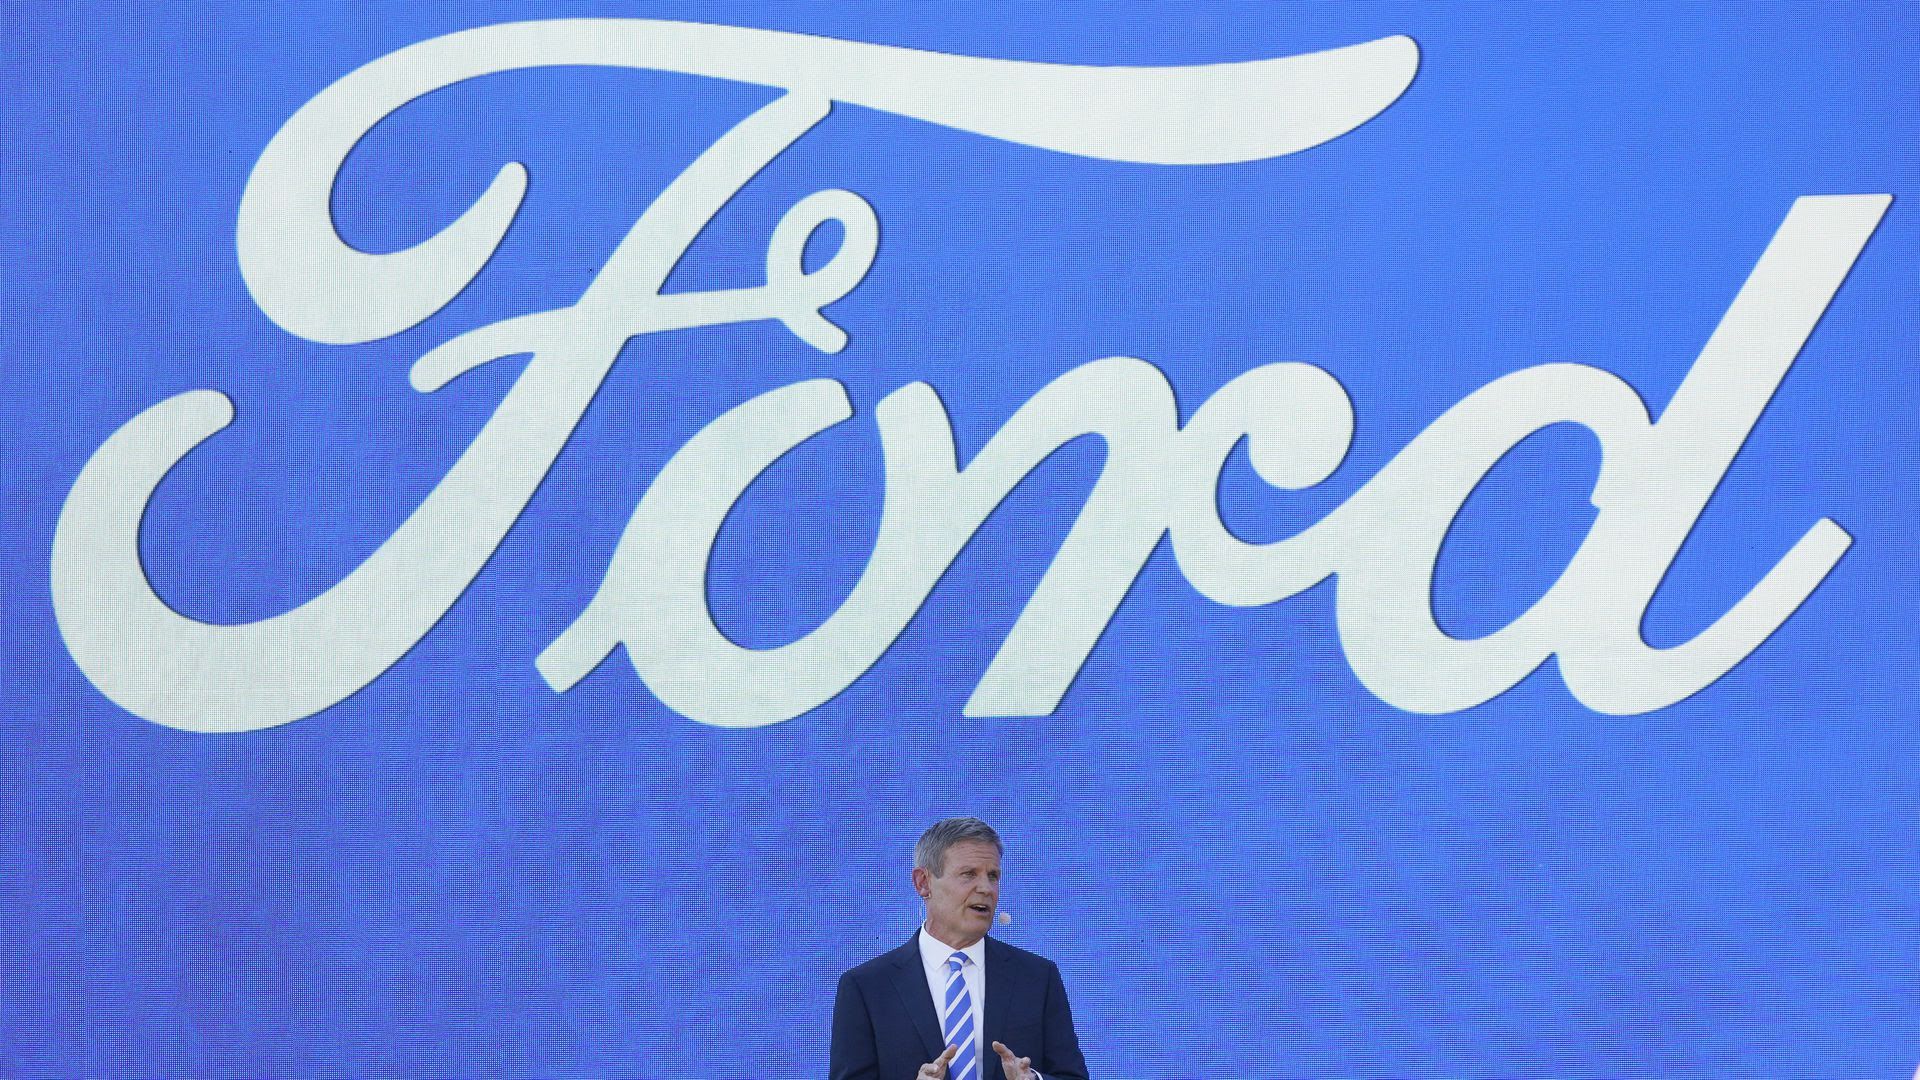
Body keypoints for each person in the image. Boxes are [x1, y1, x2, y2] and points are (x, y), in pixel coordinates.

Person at [829, 818, 1089, 1080]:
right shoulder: (867, 987)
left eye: (993, 876)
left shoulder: (1037, 977)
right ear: (923, 883)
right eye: (969, 874)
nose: (986, 888)